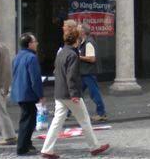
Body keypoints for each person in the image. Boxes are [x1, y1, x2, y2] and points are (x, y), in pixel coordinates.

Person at [41, 26, 109, 158]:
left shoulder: (61, 52)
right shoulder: (73, 55)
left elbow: (57, 72)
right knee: (84, 120)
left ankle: (47, 149)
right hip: (69, 94)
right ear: (76, 40)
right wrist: (74, 94)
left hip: (59, 92)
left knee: (56, 122)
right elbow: (71, 76)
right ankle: (94, 147)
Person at [11, 33, 44, 156]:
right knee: (27, 121)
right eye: (35, 42)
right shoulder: (31, 57)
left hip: (19, 92)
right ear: (30, 44)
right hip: (28, 93)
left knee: (28, 119)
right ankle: (22, 147)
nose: (37, 43)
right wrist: (40, 95)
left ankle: (27, 143)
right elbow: (35, 79)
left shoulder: (17, 56)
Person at [78, 23, 107, 122]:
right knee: (77, 93)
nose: (76, 30)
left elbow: (92, 59)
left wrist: (79, 57)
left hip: (88, 73)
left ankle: (101, 113)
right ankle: (68, 112)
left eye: (78, 29)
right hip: (84, 72)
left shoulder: (88, 43)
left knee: (94, 93)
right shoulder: (84, 42)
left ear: (83, 31)